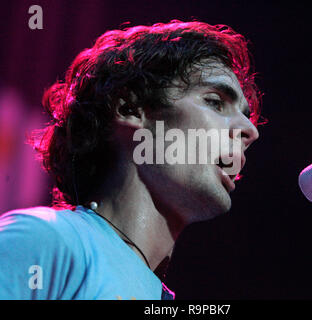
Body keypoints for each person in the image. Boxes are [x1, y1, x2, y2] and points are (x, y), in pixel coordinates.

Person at [0, 19, 260, 300]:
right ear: (129, 108)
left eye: (246, 115)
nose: (250, 131)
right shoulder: (45, 240)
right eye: (215, 101)